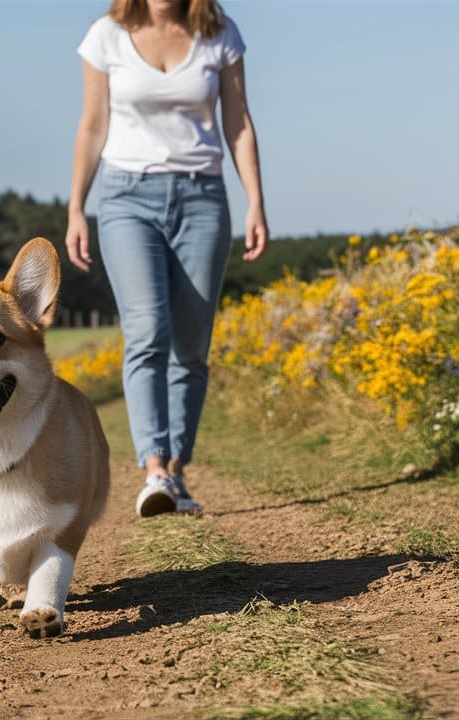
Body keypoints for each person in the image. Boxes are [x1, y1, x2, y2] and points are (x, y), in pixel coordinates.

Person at [65, 0, 267, 517]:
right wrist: (76, 208)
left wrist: (255, 203)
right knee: (148, 328)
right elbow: (91, 125)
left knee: (191, 345)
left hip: (203, 197)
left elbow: (238, 122)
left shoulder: (218, 32)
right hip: (126, 197)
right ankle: (154, 468)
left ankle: (176, 473)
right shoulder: (106, 35)